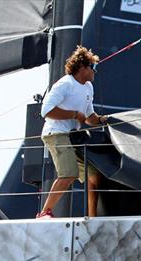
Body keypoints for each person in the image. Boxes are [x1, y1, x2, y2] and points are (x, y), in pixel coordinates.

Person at [36, 46, 109, 219]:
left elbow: (90, 117)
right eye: (93, 67)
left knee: (95, 174)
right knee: (69, 173)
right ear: (82, 67)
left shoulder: (88, 87)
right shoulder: (65, 84)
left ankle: (93, 217)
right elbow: (45, 110)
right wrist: (74, 115)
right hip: (56, 133)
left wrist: (102, 120)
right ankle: (44, 213)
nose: (95, 72)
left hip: (72, 137)